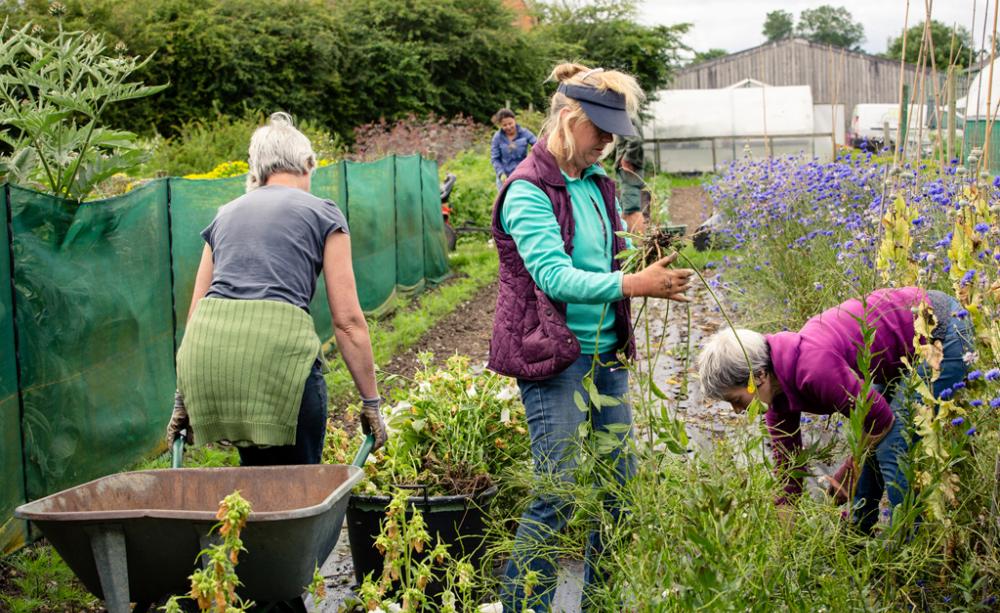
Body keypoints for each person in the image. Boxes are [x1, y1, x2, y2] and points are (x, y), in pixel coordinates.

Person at [490, 63, 693, 611]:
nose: (606, 140)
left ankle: (598, 602)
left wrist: (649, 255)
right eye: (598, 128)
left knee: (618, 493)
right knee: (556, 493)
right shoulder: (526, 190)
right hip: (554, 360)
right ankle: (522, 604)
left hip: (606, 355)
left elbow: (613, 254)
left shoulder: (598, 186)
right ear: (565, 118)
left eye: (612, 131)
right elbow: (554, 276)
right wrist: (634, 282)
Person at [166, 112, 387, 465]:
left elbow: (197, 313)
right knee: (298, 484)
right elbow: (347, 321)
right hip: (279, 361)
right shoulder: (324, 213)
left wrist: (182, 397)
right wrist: (371, 402)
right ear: (307, 163)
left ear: (259, 170)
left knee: (256, 481)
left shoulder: (224, 214)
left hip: (209, 366)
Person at [696, 287, 972, 533]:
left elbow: (880, 422)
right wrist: (784, 547)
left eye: (736, 400)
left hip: (942, 329)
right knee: (871, 444)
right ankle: (858, 534)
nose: (736, 411)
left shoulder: (813, 369)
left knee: (891, 446)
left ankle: (906, 547)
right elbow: (789, 473)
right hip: (905, 352)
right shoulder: (777, 398)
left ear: (757, 377)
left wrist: (846, 473)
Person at [613, 122, 648, 234]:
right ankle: (624, 241)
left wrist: (627, 158)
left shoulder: (626, 116)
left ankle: (645, 246)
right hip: (630, 172)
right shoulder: (631, 115)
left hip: (630, 171)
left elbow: (635, 140)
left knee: (631, 210)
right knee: (626, 208)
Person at [490, 108, 537, 190]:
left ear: (514, 120)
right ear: (500, 125)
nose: (508, 127)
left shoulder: (524, 133)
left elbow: (538, 145)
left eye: (510, 123)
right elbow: (495, 159)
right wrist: (501, 173)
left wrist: (532, 155)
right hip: (505, 178)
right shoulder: (497, 138)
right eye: (504, 125)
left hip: (523, 175)